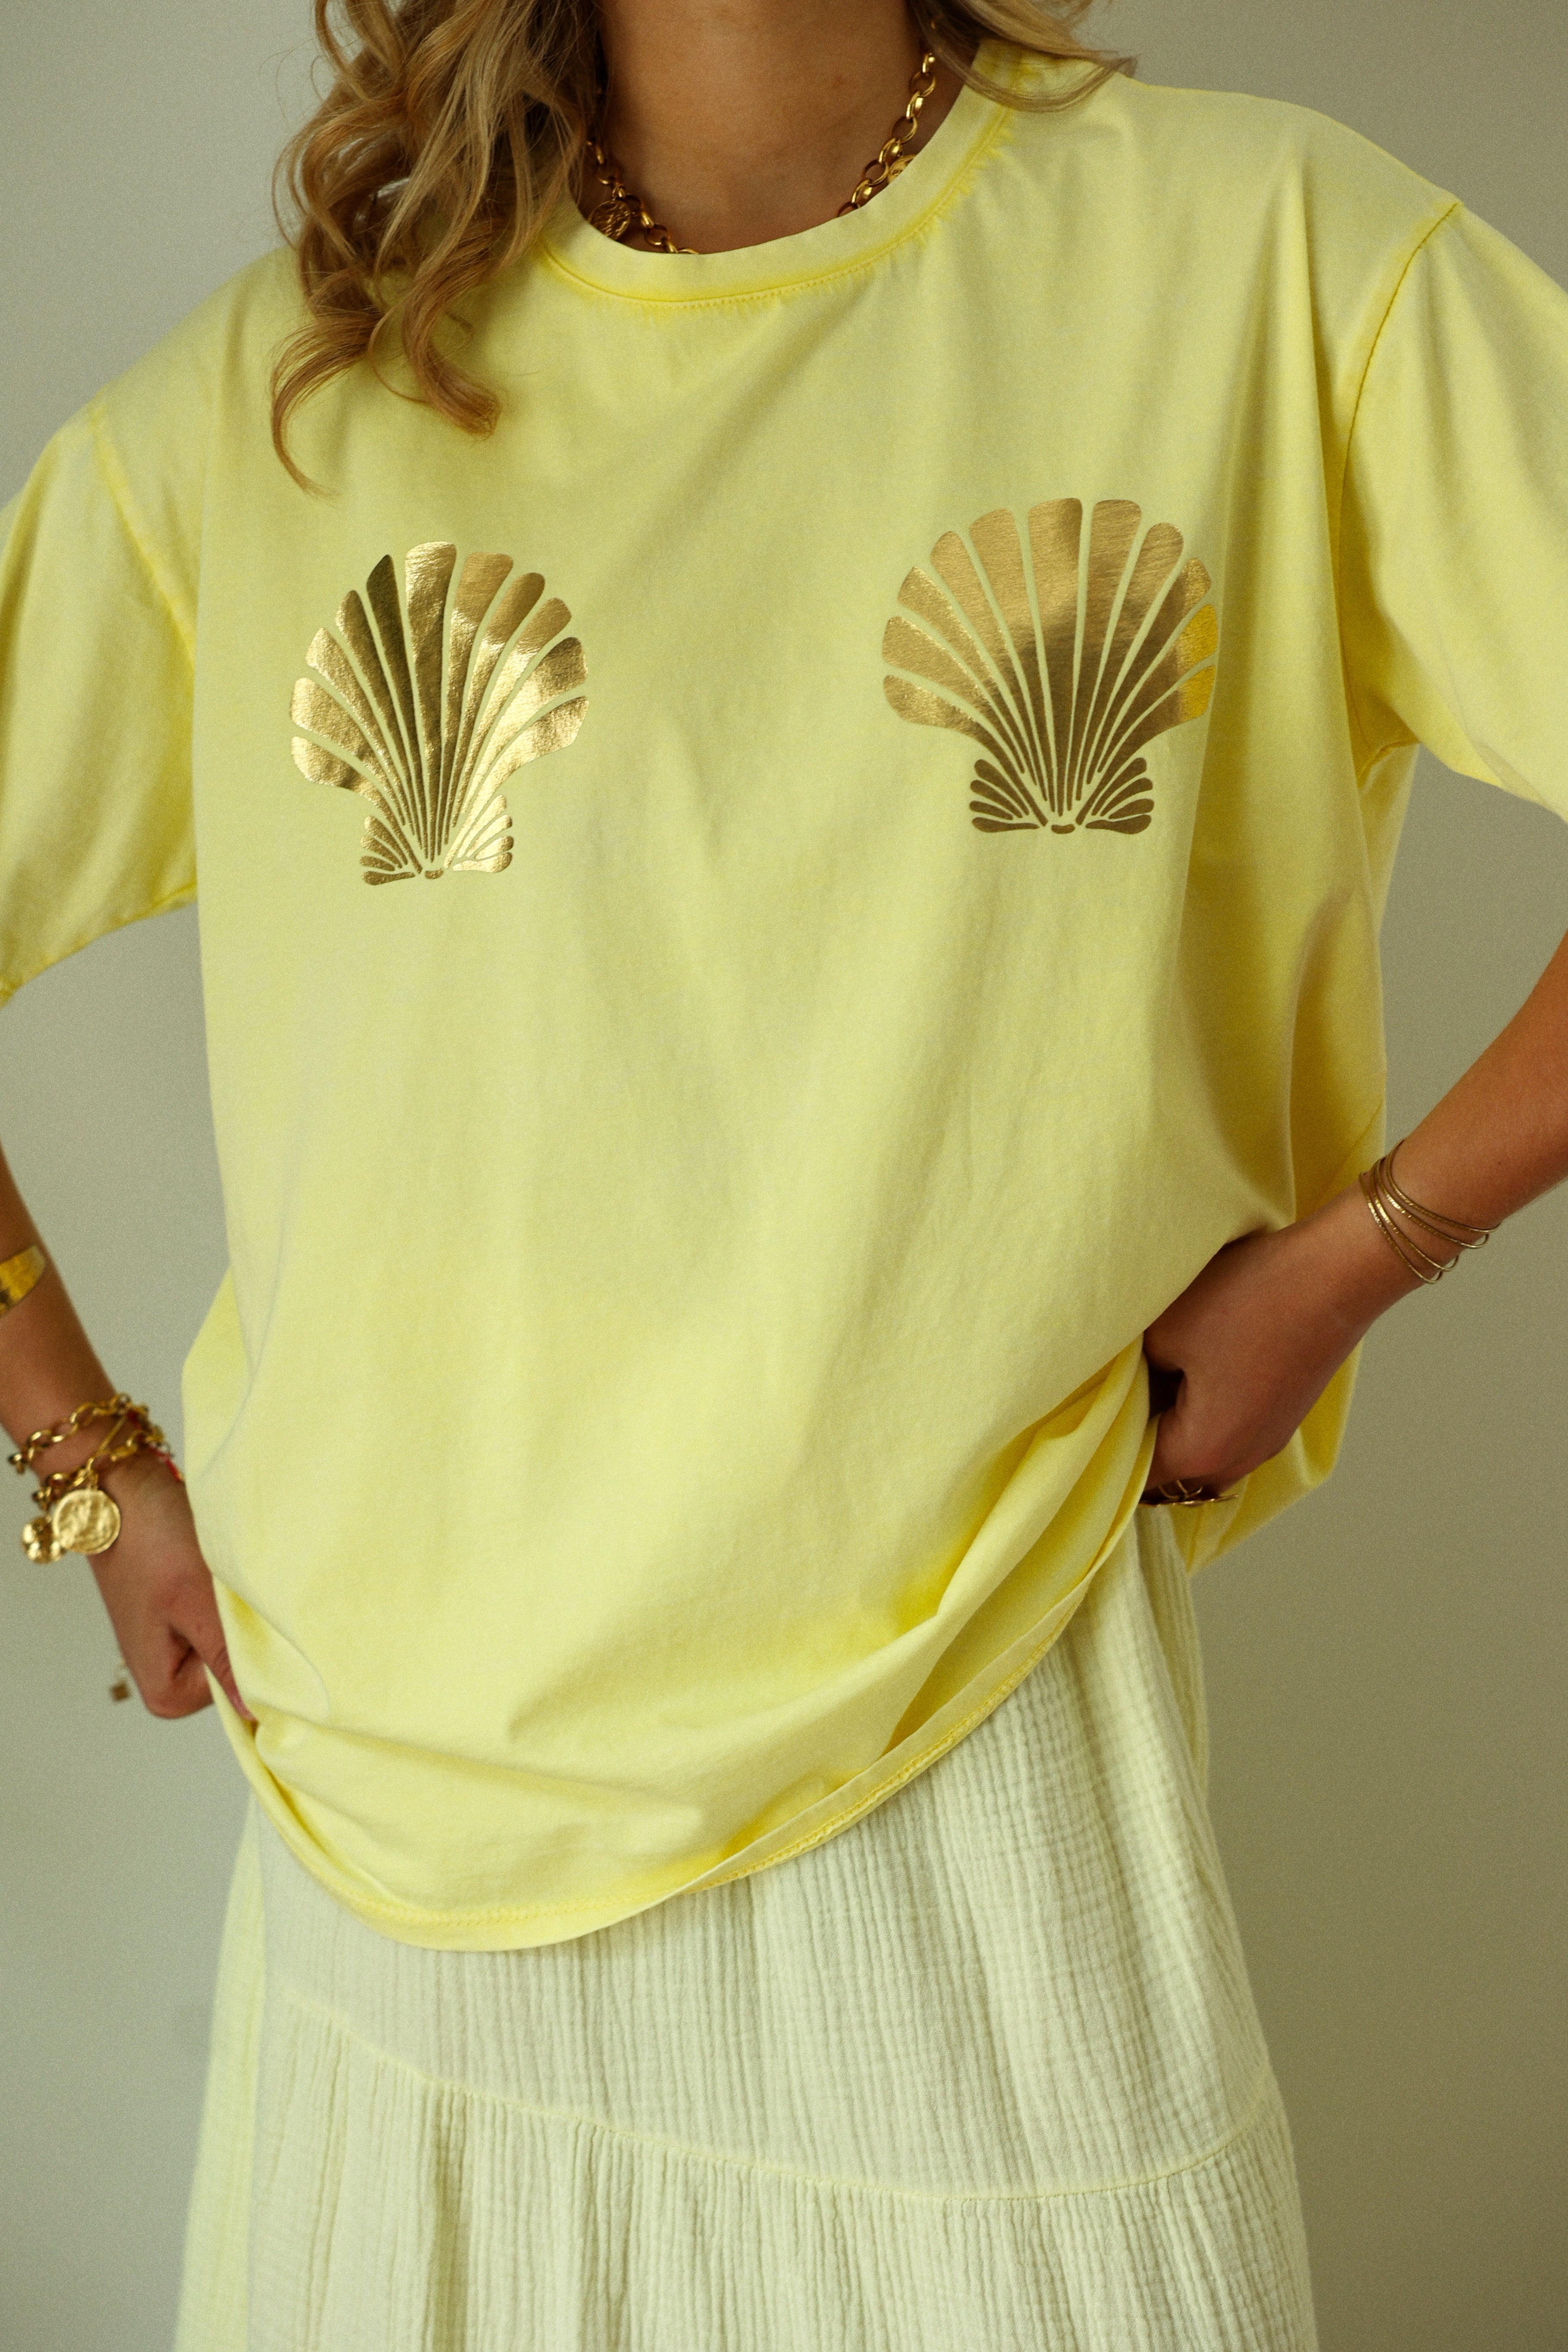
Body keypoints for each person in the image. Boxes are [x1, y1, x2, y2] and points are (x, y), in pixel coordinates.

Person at [2, 0, 1565, 2343]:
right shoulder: (290, 402)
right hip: (405, 1852)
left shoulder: (1270, 262)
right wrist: (80, 1454)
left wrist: (1369, 1249)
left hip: (984, 1780)